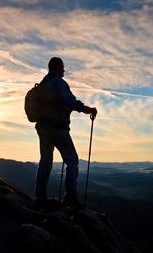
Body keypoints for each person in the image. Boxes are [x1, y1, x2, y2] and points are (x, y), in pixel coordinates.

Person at [34, 57, 97, 210]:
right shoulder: (58, 83)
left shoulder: (42, 85)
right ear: (57, 67)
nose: (64, 70)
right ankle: (70, 197)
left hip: (43, 128)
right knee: (72, 160)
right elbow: (70, 102)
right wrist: (88, 109)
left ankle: (40, 197)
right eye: (62, 67)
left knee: (46, 162)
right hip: (57, 128)